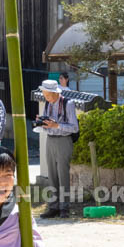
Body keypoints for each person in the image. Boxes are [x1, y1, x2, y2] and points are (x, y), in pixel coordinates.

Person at [37, 79, 79, 219]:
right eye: (44, 94)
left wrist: (57, 126)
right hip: (50, 140)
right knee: (52, 175)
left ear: (55, 93)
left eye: (47, 95)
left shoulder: (68, 104)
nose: (46, 97)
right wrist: (41, 123)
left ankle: (64, 208)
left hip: (63, 140)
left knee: (63, 174)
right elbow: (48, 125)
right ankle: (53, 207)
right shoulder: (47, 103)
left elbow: (74, 128)